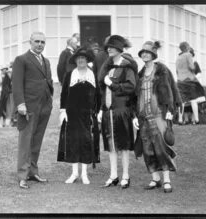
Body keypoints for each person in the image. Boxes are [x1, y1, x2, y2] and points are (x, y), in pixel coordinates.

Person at [132, 41, 182, 193]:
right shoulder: (139, 75)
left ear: (153, 55)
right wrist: (135, 115)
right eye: (143, 53)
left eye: (148, 53)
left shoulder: (161, 71)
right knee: (147, 148)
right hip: (143, 116)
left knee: (161, 147)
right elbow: (135, 97)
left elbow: (170, 90)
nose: (145, 54)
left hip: (159, 114)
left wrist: (170, 110)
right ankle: (155, 178)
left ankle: (166, 180)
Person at [12, 32, 53, 189]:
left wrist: (49, 100)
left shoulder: (46, 61)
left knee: (37, 140)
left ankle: (32, 172)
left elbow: (47, 81)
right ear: (30, 42)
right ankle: (22, 175)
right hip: (28, 107)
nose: (40, 44)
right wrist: (20, 104)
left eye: (43, 42)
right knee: (25, 141)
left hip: (44, 106)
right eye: (37, 41)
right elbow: (16, 83)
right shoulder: (21, 60)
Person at [98, 35, 137, 189]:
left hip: (122, 111)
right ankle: (113, 175)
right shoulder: (108, 68)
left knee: (124, 145)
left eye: (112, 47)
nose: (109, 49)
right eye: (108, 47)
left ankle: (126, 176)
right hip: (109, 111)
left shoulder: (127, 67)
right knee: (111, 145)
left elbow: (130, 87)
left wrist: (112, 84)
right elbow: (103, 91)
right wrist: (102, 109)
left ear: (120, 49)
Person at [57, 47, 101, 185]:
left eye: (83, 58)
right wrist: (63, 111)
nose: (81, 60)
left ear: (87, 60)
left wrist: (98, 111)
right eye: (78, 58)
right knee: (73, 142)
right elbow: (63, 94)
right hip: (72, 114)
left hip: (88, 115)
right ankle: (74, 173)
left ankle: (84, 174)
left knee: (86, 142)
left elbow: (98, 95)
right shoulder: (70, 75)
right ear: (75, 60)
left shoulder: (93, 74)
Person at [176, 42, 206, 125]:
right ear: (186, 47)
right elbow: (191, 67)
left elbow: (177, 70)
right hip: (189, 80)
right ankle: (196, 120)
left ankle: (180, 120)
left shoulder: (178, 57)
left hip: (180, 80)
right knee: (193, 99)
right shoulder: (188, 55)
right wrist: (194, 67)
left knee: (182, 101)